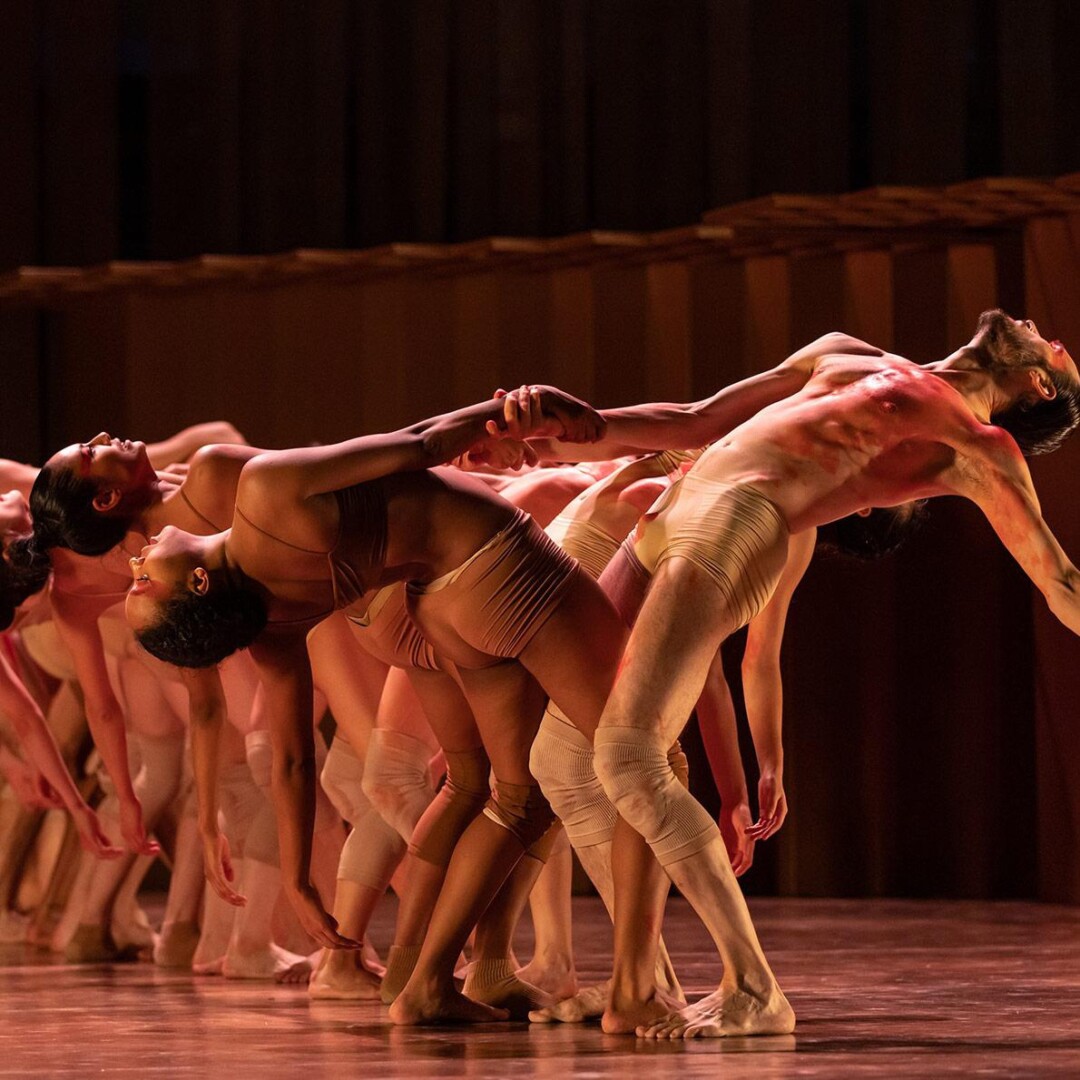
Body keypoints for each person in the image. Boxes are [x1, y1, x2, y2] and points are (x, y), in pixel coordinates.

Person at [522, 310, 1079, 1038]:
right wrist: (587, 425)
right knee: (559, 758)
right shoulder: (842, 352)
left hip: (739, 521)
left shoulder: (974, 444)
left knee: (627, 755)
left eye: (1057, 348)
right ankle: (642, 985)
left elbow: (1061, 581)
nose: (1041, 326)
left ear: (1037, 385)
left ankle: (754, 986)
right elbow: (699, 419)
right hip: (674, 508)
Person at [125, 388, 609, 1025]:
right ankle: (630, 981)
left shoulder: (271, 625)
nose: (136, 559)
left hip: (422, 608)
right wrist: (525, 410)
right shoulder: (262, 492)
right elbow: (417, 446)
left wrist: (300, 879)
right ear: (197, 583)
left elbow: (296, 763)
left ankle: (415, 972)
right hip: (474, 565)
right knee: (595, 765)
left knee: (467, 785)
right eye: (143, 579)